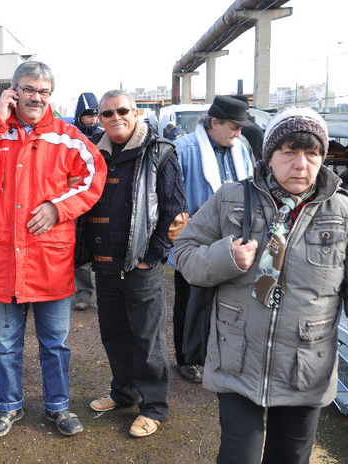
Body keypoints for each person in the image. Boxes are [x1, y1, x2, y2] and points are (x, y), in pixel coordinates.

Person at [174, 107, 348, 464]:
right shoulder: (231, 198)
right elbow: (183, 252)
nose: (301, 164)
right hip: (237, 361)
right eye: (289, 151)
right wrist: (225, 258)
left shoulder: (344, 214)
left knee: (290, 457)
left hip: (305, 369)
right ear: (270, 155)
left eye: (312, 153)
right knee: (238, 457)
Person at [0, 61, 106, 438]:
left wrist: (58, 207)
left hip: (47, 259)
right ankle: (9, 406)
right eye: (28, 89)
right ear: (14, 91)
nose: (36, 97)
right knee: (5, 345)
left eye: (43, 91)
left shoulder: (67, 137)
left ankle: (58, 406)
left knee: (55, 344)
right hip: (3, 259)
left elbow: (93, 177)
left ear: (50, 95)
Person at [83, 90, 187, 438]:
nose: (115, 118)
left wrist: (152, 258)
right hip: (104, 265)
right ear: (100, 117)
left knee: (147, 339)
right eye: (107, 113)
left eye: (122, 111)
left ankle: (153, 406)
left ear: (136, 112)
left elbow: (175, 211)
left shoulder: (159, 152)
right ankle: (123, 392)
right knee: (114, 334)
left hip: (141, 266)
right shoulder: (94, 155)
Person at [169, 95, 255, 384]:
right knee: (189, 302)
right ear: (214, 122)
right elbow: (170, 196)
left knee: (230, 302)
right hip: (195, 242)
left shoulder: (240, 149)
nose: (238, 133)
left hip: (233, 243)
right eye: (234, 127)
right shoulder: (183, 149)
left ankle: (221, 356)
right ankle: (186, 358)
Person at [72, 92, 103, 310]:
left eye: (95, 114)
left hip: (103, 199)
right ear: (79, 116)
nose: (92, 119)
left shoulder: (105, 136)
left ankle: (108, 294)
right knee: (80, 246)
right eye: (88, 115)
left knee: (104, 245)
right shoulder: (71, 136)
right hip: (78, 199)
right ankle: (83, 293)